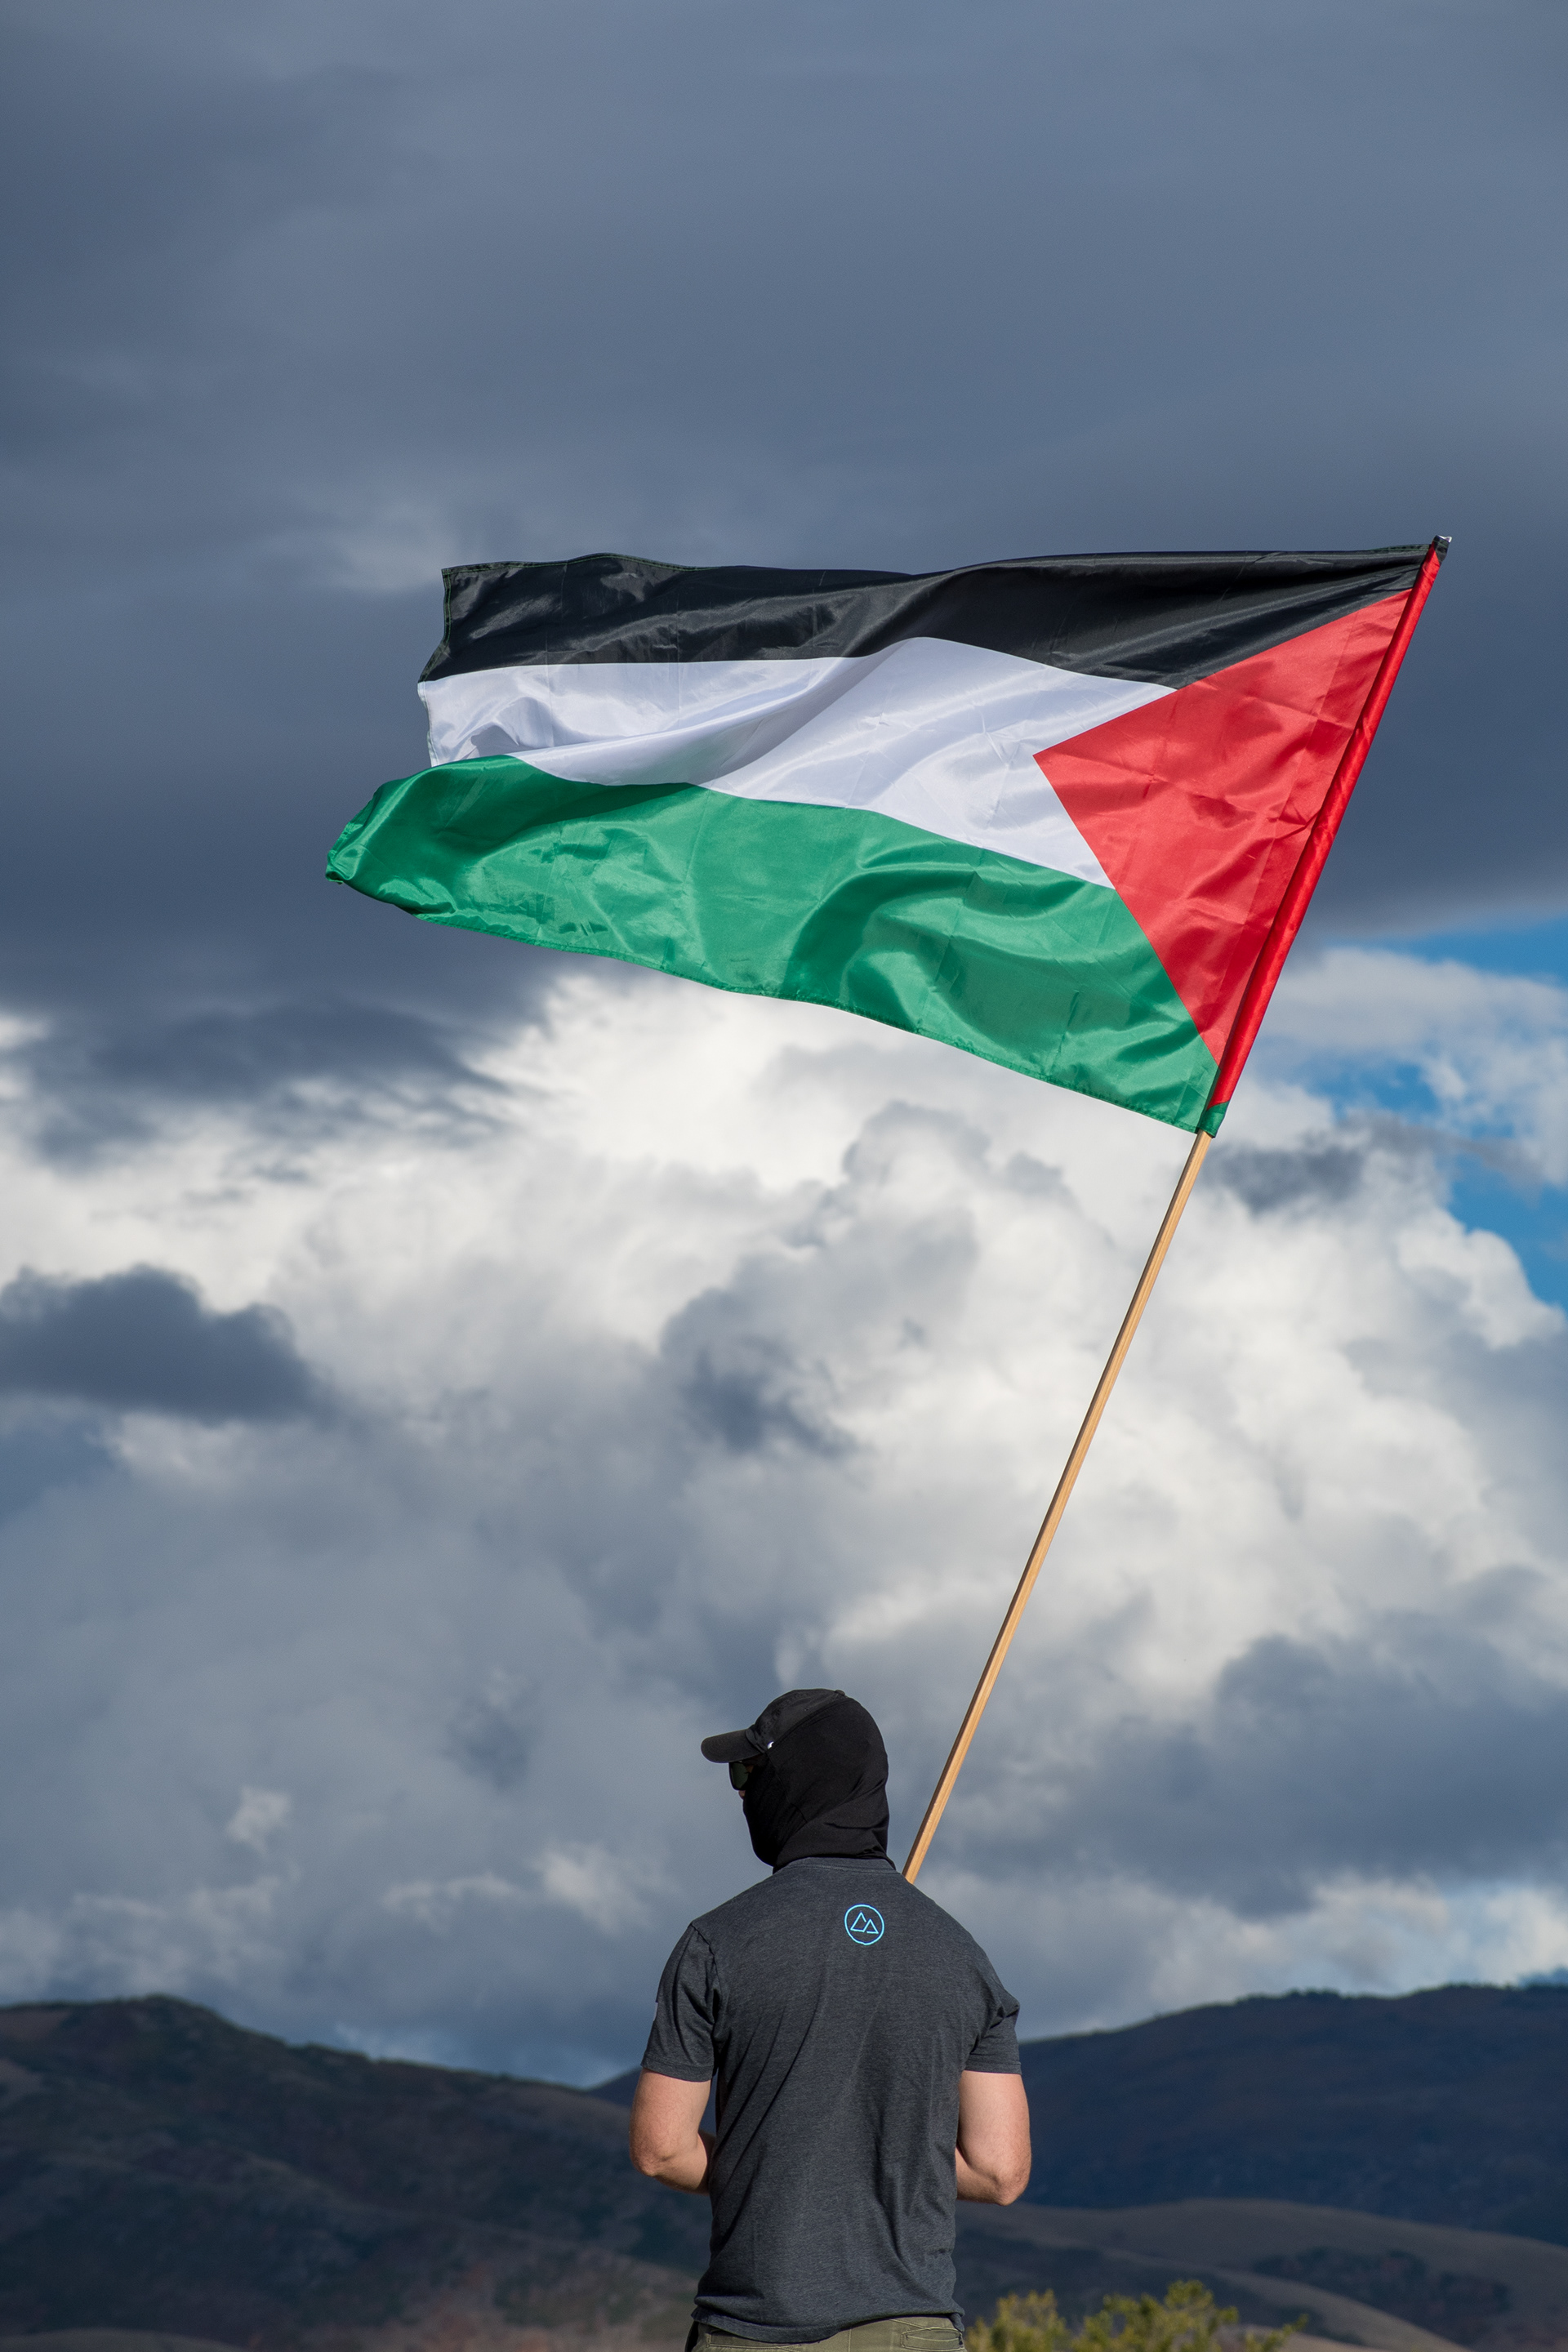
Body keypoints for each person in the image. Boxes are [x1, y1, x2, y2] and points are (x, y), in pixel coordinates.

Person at [629, 1687, 1031, 2352]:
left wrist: (785, 2163)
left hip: (753, 2331)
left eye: (746, 1775)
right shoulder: (963, 1959)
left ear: (792, 1784)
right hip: (916, 2334)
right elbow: (1000, 2171)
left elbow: (661, 2148)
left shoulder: (715, 1944)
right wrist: (882, 2163)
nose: (739, 1795)